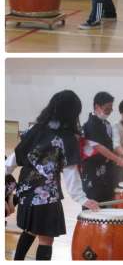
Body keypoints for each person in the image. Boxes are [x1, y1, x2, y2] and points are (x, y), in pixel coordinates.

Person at [5, 90, 99, 260]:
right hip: (46, 198)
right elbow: (71, 173)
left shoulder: (35, 128)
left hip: (25, 195)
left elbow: (15, 157)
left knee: (30, 230)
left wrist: (5, 172)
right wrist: (82, 198)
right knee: (46, 239)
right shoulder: (67, 138)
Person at [80, 92, 123, 204]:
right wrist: (117, 159)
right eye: (107, 109)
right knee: (94, 201)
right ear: (97, 107)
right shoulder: (90, 125)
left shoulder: (106, 123)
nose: (109, 112)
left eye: (111, 109)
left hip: (106, 168)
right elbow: (99, 147)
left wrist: (122, 155)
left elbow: (111, 145)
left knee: (108, 200)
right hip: (92, 170)